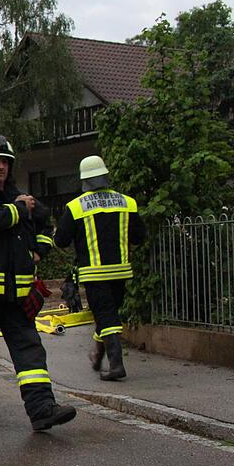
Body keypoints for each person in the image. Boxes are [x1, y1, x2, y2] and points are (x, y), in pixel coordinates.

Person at [0, 134, 76, 431]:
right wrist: (21, 208)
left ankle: (42, 410)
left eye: (5, 162)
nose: (0, 167)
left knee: (30, 351)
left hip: (19, 296)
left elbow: (46, 223)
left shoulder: (21, 197)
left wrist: (39, 248)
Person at [53, 155, 146, 381]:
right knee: (108, 315)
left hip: (94, 273)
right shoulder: (128, 202)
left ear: (84, 180)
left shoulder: (75, 207)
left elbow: (62, 241)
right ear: (105, 176)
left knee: (105, 315)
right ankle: (97, 355)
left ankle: (116, 366)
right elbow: (139, 236)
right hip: (121, 271)